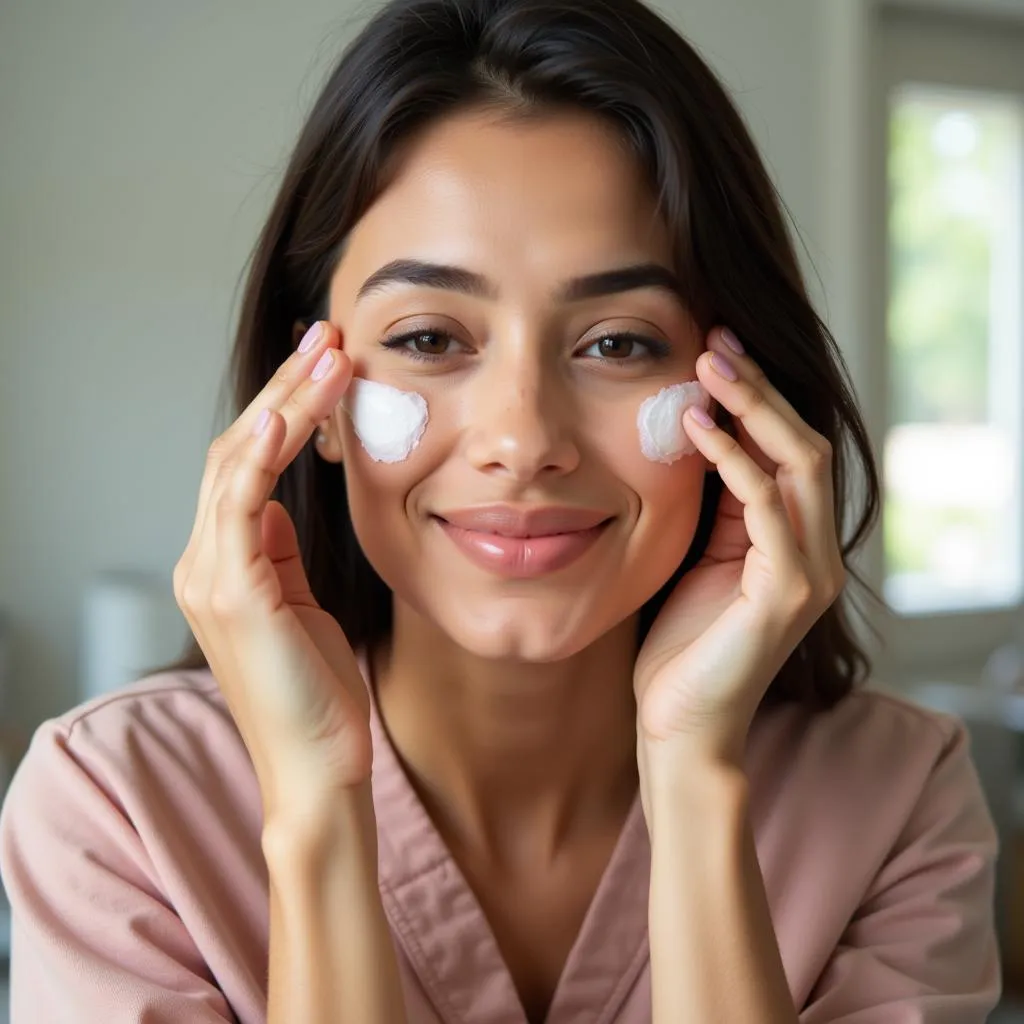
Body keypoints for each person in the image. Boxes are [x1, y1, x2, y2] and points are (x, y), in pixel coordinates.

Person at [0, 0, 1003, 1020]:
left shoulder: (899, 799)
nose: (523, 440)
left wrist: (697, 782)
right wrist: (313, 810)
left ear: (738, 397)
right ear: (315, 399)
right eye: (430, 338)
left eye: (617, 343)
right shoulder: (114, 806)